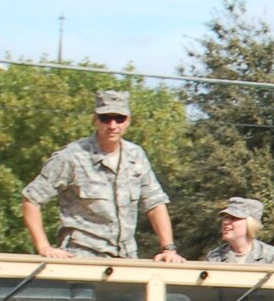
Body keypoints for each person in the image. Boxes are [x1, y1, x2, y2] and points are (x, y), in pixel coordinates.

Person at [21, 91, 181, 262]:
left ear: (128, 121)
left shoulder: (136, 156)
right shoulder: (72, 156)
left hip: (126, 260)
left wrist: (168, 249)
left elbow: (155, 202)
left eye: (119, 119)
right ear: (95, 120)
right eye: (106, 118)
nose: (112, 125)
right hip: (82, 258)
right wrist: (44, 247)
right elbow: (31, 200)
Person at [203, 197, 274, 265]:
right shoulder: (215, 258)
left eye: (234, 218)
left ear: (250, 223)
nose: (226, 222)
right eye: (225, 217)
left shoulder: (272, 257)